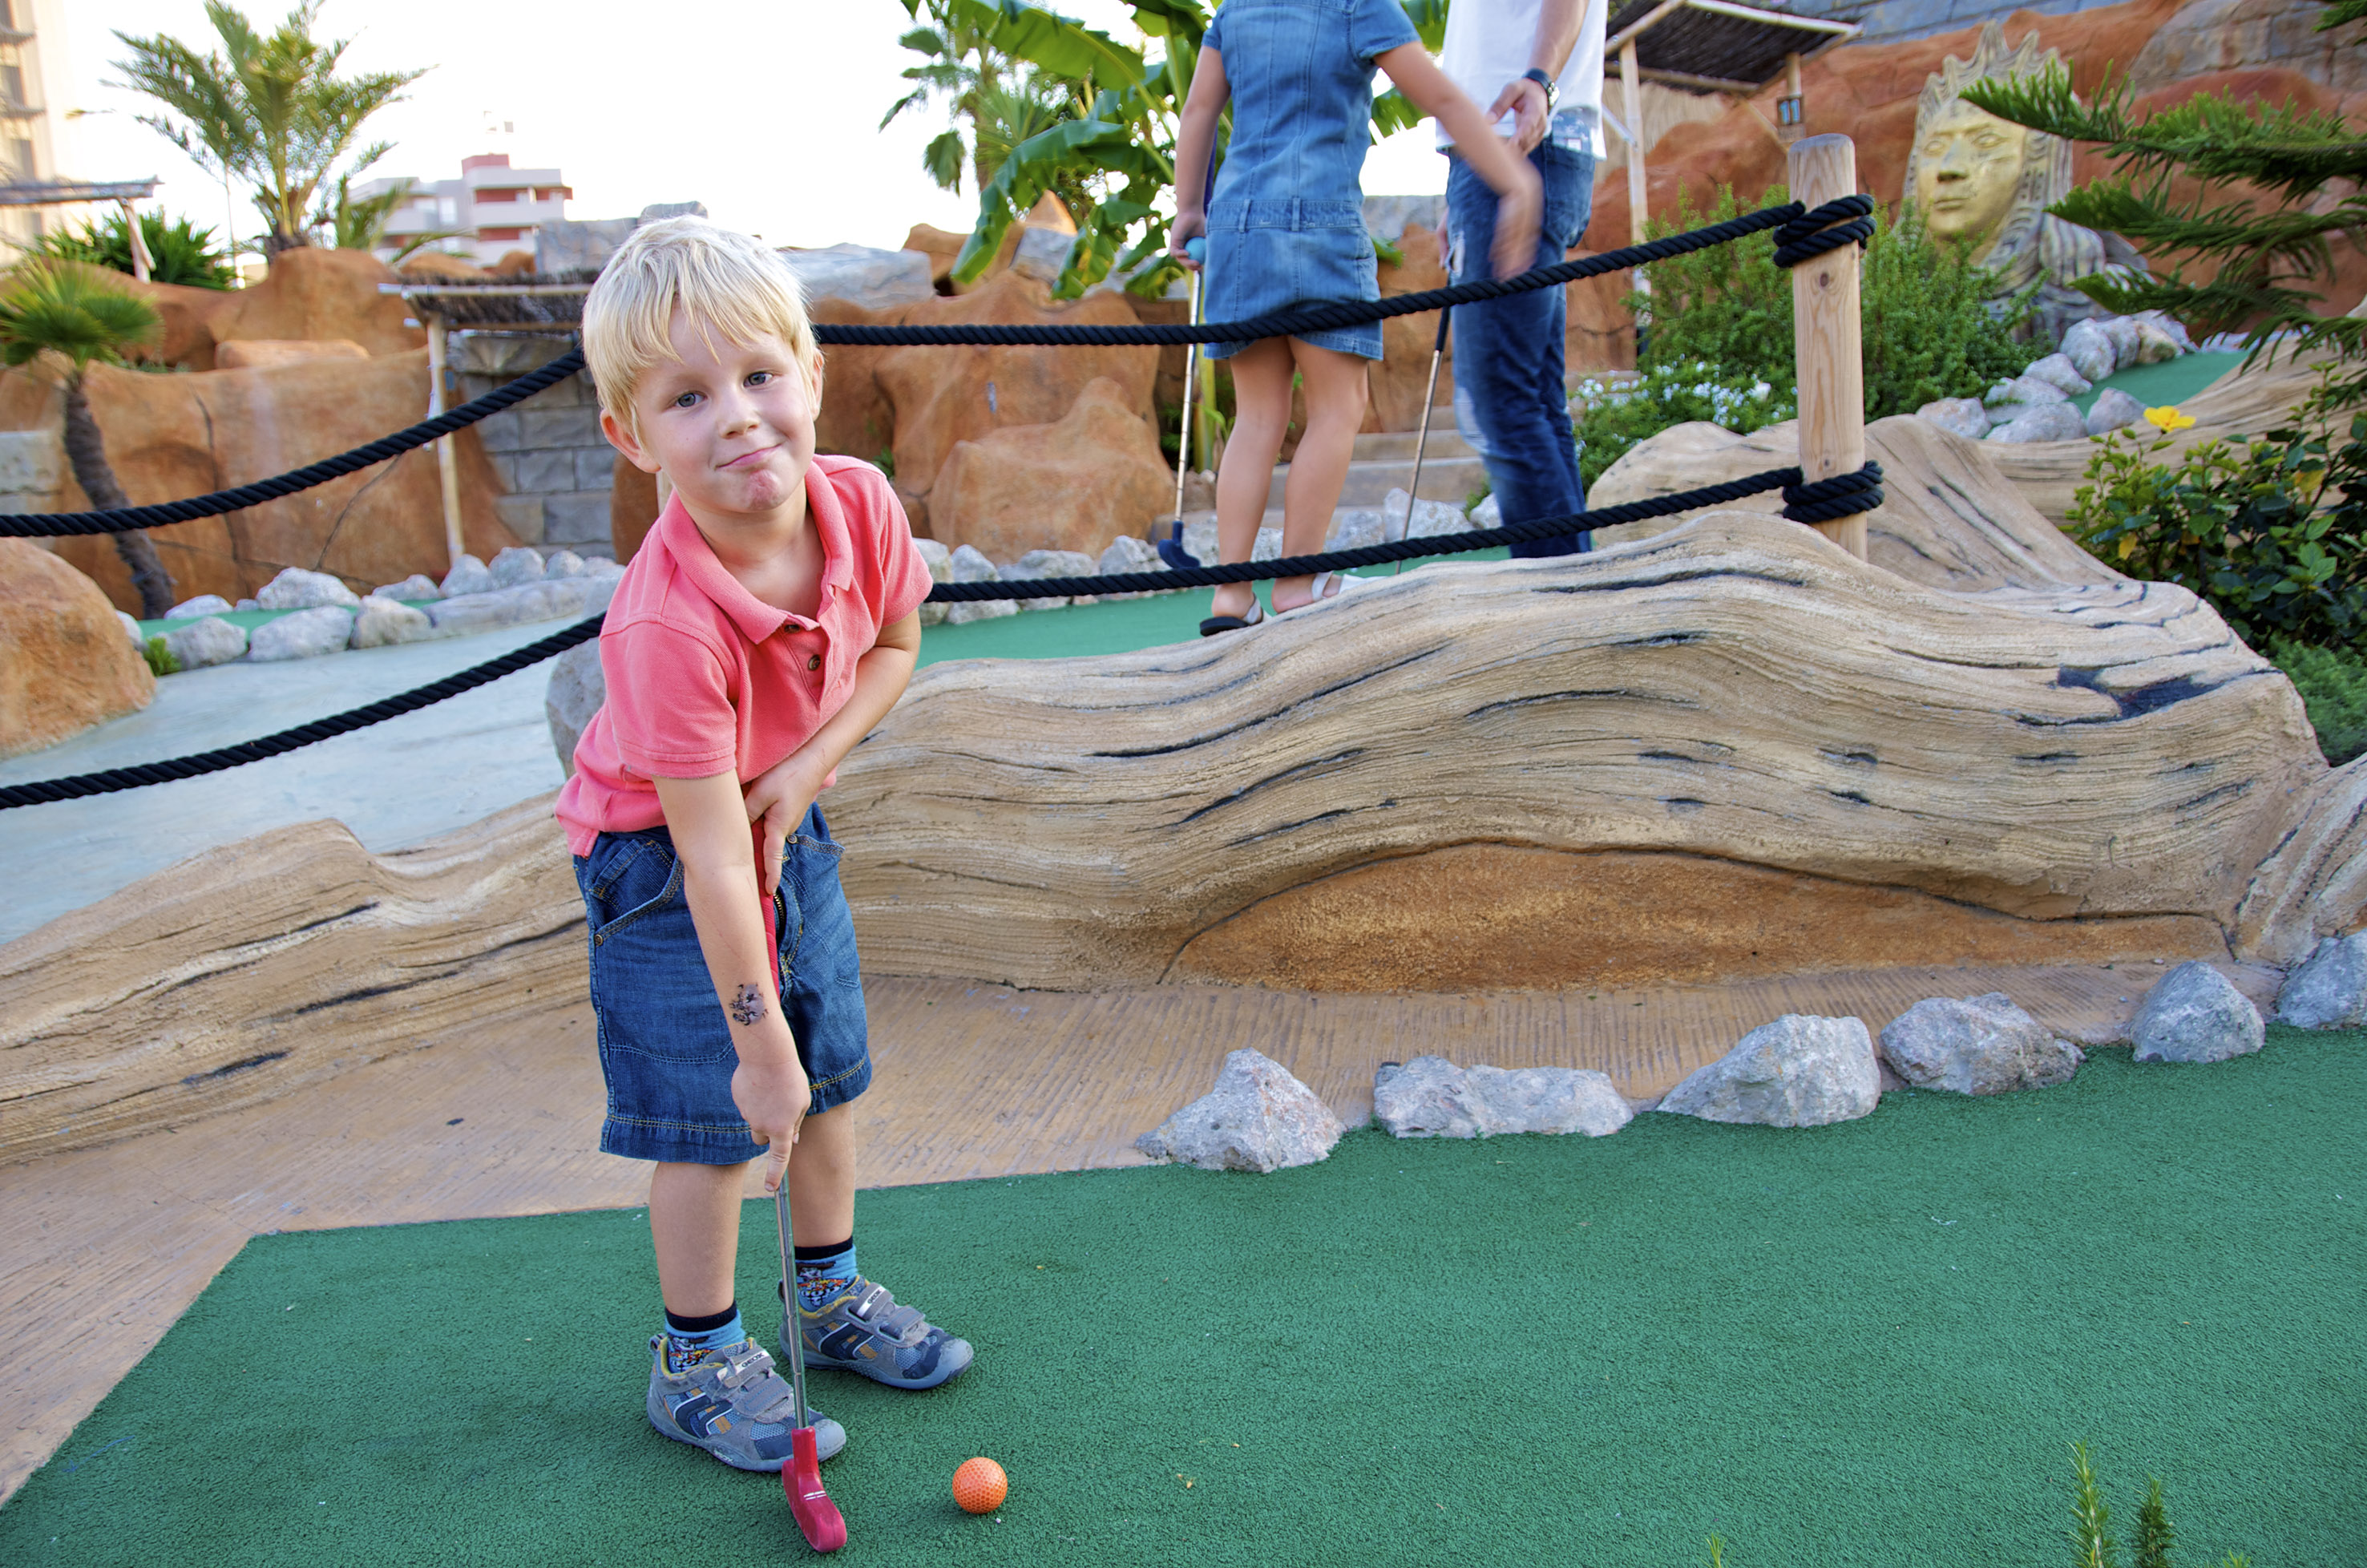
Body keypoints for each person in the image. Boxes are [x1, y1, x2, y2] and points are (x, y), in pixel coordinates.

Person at [555, 218, 968, 1475]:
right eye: (688, 397)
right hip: (660, 864)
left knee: (829, 1077)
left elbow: (895, 650)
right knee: (719, 1119)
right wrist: (755, 1045)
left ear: (810, 373)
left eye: (758, 376)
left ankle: (827, 1299)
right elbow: (708, 863)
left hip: (778, 817)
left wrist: (801, 765)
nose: (737, 418)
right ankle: (696, 1359)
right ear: (634, 438)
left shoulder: (862, 508)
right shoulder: (664, 629)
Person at [1172, 0, 1541, 635]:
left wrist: (1187, 207)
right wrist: (1515, 181)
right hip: (1321, 225)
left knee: (1256, 417)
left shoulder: (1236, 11)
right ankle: (1297, 581)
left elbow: (1200, 109)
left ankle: (1231, 597)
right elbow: (1444, 102)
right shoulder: (1360, 5)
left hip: (1237, 229)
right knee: (1337, 408)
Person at [1437, 0, 1606, 556]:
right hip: (1501, 150)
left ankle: (1556, 607)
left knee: (1500, 397)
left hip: (1520, 143)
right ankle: (1573, 592)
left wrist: (1539, 80)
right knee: (1530, 395)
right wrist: (1457, 186)